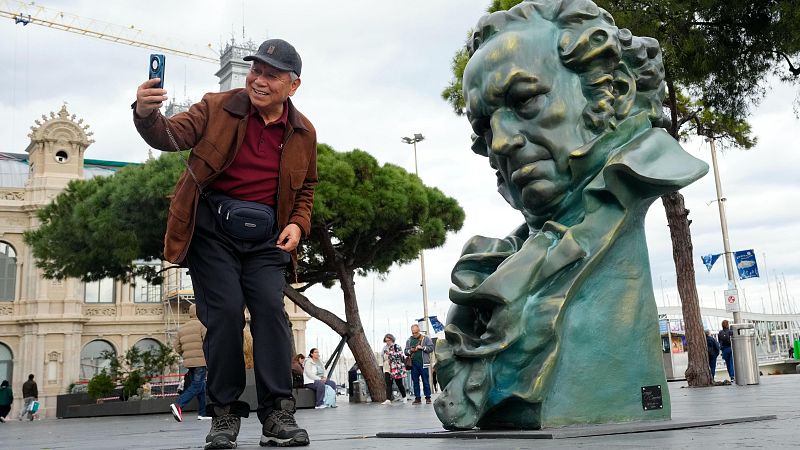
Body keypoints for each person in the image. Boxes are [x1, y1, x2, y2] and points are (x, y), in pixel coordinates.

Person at [433, 0, 708, 431]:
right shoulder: (507, 256)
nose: (500, 143)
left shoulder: (623, 193)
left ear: (615, 91)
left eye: (525, 100)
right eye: (484, 126)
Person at [134, 37, 317, 449]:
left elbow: (306, 187)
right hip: (212, 234)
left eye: (272, 75)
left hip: (267, 238)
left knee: (271, 313)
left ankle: (278, 413)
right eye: (256, 70)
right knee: (225, 315)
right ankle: (224, 415)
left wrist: (298, 224)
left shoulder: (304, 132)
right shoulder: (215, 106)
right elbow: (169, 135)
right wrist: (146, 114)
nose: (259, 80)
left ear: (293, 85)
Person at [171, 304, 209, 421]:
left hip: (189, 362)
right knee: (197, 385)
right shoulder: (202, 325)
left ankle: (203, 413)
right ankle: (178, 404)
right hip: (201, 361)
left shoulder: (182, 328)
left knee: (201, 386)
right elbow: (208, 342)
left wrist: (186, 355)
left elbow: (176, 346)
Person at [404, 325, 434, 405]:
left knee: (425, 381)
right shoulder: (409, 340)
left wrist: (422, 347)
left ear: (419, 330)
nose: (414, 334)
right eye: (413, 333)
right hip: (413, 364)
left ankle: (428, 398)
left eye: (416, 332)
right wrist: (410, 350)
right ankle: (417, 398)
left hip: (423, 364)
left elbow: (431, 348)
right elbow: (405, 351)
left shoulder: (426, 338)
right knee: (415, 382)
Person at [381, 334, 407, 404]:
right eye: (386, 341)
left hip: (396, 368)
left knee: (399, 383)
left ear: (392, 339)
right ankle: (388, 399)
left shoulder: (397, 346)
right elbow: (382, 356)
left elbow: (400, 355)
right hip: (387, 367)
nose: (387, 342)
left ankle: (404, 397)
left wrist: (390, 354)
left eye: (389, 340)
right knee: (388, 383)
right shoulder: (384, 348)